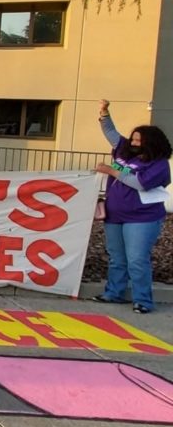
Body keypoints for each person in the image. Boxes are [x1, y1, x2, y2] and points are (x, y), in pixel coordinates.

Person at [92, 100, 171, 314]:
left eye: (139, 140)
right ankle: (113, 293)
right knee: (117, 257)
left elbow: (140, 183)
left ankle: (143, 300)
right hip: (115, 215)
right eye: (133, 138)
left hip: (142, 218)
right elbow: (111, 132)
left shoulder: (159, 164)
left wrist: (112, 171)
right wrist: (104, 112)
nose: (134, 143)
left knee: (137, 259)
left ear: (151, 143)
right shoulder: (125, 151)